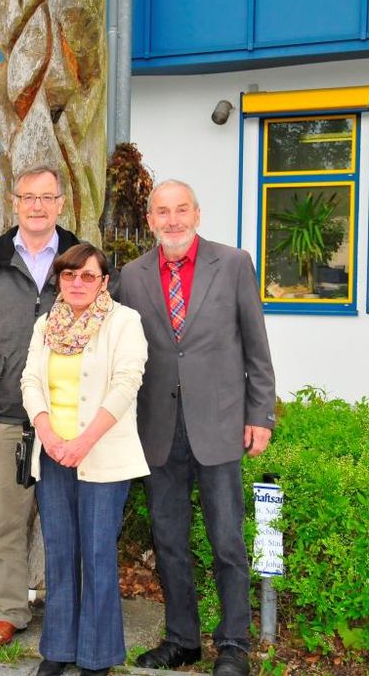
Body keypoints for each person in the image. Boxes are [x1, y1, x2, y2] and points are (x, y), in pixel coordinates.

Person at [118, 180, 276, 676]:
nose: (173, 220)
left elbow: (256, 346)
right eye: (163, 212)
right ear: (150, 220)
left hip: (220, 424)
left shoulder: (233, 264)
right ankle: (182, 640)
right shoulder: (131, 275)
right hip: (158, 428)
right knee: (169, 541)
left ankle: (234, 644)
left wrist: (260, 415)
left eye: (181, 209)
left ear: (197, 214)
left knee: (226, 541)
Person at [0, 166, 81, 645]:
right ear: (13, 202)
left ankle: (69, 609)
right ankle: (10, 610)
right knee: (7, 522)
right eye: (28, 197)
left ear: (61, 203)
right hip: (7, 414)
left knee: (69, 522)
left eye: (47, 197)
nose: (37, 206)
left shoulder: (82, 262)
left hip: (69, 418)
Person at [20, 243, 149, 676]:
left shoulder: (124, 322)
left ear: (104, 281)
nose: (77, 283)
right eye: (69, 275)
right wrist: (48, 434)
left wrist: (83, 442)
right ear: (59, 279)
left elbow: (127, 383)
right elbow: (30, 380)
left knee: (96, 554)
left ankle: (97, 655)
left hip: (102, 454)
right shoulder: (46, 324)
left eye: (88, 276)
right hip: (53, 453)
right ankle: (58, 648)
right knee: (59, 552)